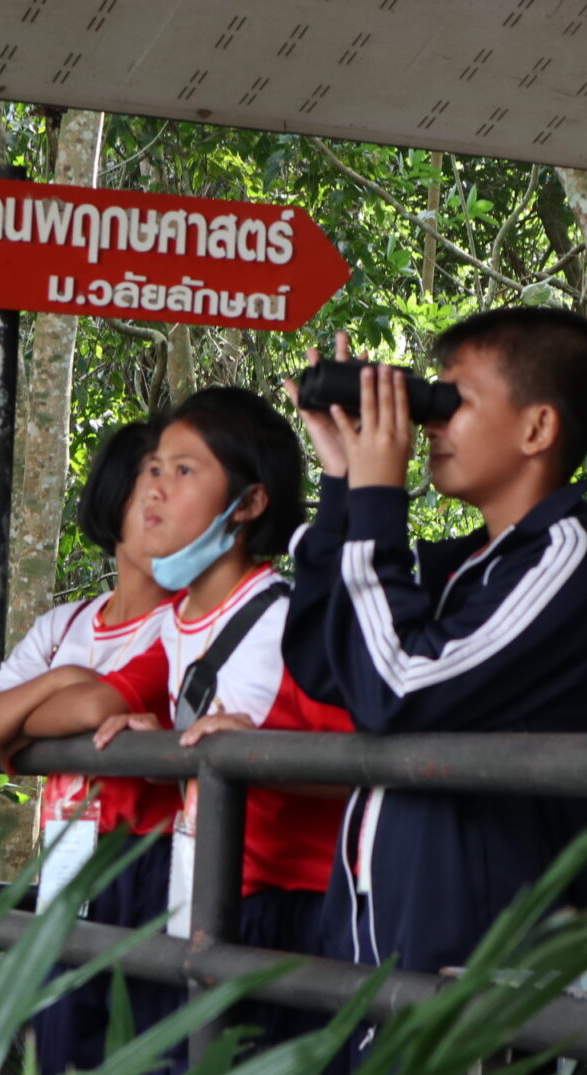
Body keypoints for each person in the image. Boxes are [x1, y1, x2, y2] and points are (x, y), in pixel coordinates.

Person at [282, 308, 587, 992]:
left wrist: (380, 500)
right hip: (378, 930)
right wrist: (343, 488)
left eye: (453, 399)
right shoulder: (467, 566)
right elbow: (327, 665)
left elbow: (395, 687)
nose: (431, 420)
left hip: (473, 961)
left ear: (537, 428)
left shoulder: (567, 561)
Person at [25, 386, 354, 1062]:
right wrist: (153, 743)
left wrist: (256, 755)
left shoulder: (292, 620)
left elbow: (362, 767)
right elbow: (103, 703)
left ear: (251, 503)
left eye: (182, 470)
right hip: (201, 900)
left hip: (288, 912)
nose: (155, 489)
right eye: (153, 468)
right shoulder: (173, 627)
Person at [0, 420, 183, 1074]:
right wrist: (60, 678)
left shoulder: (189, 622)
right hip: (65, 869)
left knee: (143, 1050)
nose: (172, 506)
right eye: (153, 488)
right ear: (114, 503)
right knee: (56, 1048)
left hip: (151, 869)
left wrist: (20, 724)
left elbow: (99, 704)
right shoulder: (66, 625)